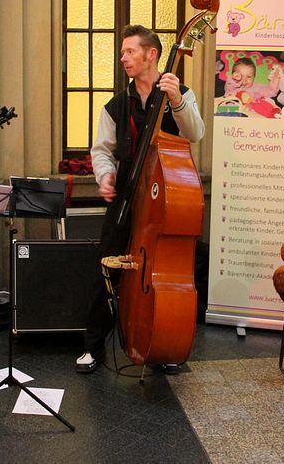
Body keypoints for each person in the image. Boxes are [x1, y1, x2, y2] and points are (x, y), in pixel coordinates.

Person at [76, 25, 205, 374]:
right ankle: (92, 348)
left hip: (164, 196)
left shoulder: (181, 94)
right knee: (107, 266)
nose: (123, 58)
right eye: (122, 53)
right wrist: (104, 176)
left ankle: (159, 344)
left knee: (162, 271)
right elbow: (102, 150)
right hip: (127, 193)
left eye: (129, 51)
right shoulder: (116, 104)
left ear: (152, 54)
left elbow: (196, 132)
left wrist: (177, 101)